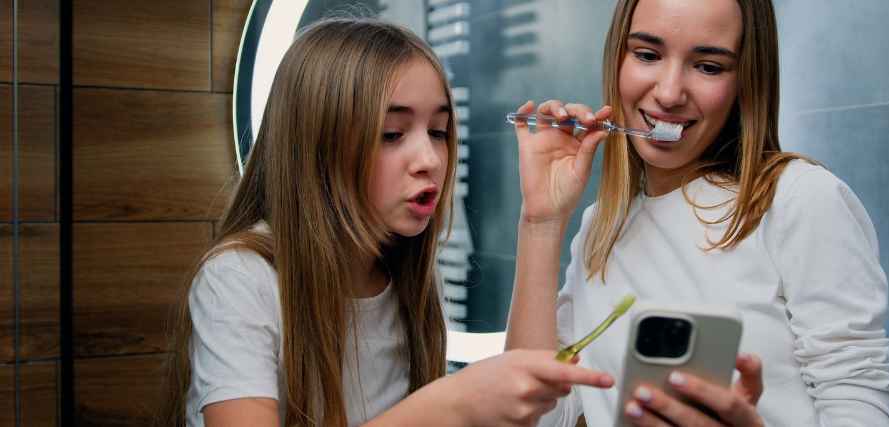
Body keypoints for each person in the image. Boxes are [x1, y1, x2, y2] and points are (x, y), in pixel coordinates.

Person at [156, 18, 615, 427]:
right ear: (318, 146)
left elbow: (528, 414)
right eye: (392, 134)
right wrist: (450, 405)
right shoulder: (240, 279)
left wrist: (542, 220)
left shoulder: (407, 279)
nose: (430, 159)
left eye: (438, 131)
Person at [506, 0, 889, 426]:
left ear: (746, 79)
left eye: (709, 66)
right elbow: (536, 417)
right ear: (617, 59)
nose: (670, 93)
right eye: (647, 55)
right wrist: (541, 224)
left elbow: (861, 407)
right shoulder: (602, 226)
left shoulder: (800, 200)